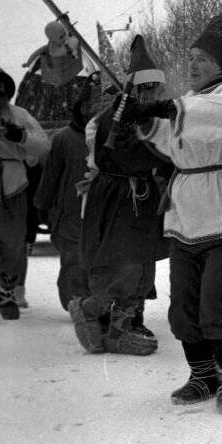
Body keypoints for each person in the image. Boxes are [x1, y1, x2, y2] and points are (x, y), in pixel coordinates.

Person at [123, 15, 222, 414]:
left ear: (221, 64)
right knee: (183, 307)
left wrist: (166, 106)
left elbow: (210, 116)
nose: (193, 64)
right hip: (188, 212)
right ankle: (202, 375)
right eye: (191, 58)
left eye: (201, 58)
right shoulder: (191, 103)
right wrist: (147, 122)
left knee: (216, 304)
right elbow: (178, 141)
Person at [69, 36, 170, 356]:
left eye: (156, 87)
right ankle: (88, 309)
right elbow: (129, 155)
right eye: (147, 87)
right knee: (123, 264)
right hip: (117, 195)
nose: (152, 93)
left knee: (141, 263)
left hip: (139, 195)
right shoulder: (116, 117)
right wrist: (164, 151)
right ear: (136, 88)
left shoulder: (145, 116)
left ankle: (119, 330)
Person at [0, 60, 49, 322]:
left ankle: (7, 291)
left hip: (14, 191)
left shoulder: (20, 115)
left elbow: (44, 148)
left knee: (13, 245)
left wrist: (18, 136)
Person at [33, 84, 95, 311]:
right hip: (70, 211)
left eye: (96, 107)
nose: (91, 111)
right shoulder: (64, 139)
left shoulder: (112, 136)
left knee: (101, 261)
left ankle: (99, 303)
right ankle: (77, 303)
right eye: (87, 106)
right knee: (75, 259)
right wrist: (43, 203)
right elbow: (51, 175)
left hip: (104, 211)